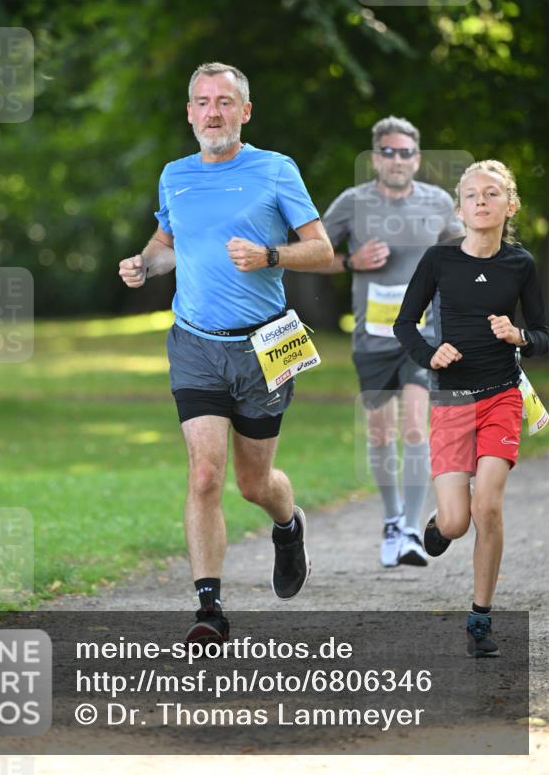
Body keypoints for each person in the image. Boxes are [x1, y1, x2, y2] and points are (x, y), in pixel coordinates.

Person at [118, 62, 333, 645]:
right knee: (205, 472)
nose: (213, 112)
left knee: (253, 483)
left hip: (266, 346)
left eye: (225, 102)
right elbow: (168, 246)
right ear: (189, 111)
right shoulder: (175, 176)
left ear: (245, 111)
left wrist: (269, 256)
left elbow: (322, 250)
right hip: (194, 344)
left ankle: (288, 528)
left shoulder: (275, 170)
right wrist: (144, 264)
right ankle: (209, 608)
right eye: (202, 102)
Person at [394, 160, 548, 656]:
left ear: (510, 204)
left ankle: (480, 618)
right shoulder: (439, 261)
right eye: (471, 195)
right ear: (460, 207)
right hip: (453, 398)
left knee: (489, 507)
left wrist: (519, 335)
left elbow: (543, 333)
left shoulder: (520, 264)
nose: (481, 201)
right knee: (458, 522)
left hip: (502, 394)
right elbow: (404, 324)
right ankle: (441, 524)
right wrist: (429, 353)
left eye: (492, 193)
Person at [321, 117, 463, 568]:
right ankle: (391, 520)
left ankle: (411, 532)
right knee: (381, 430)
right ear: (376, 157)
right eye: (389, 152)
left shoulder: (439, 203)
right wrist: (350, 261)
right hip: (373, 338)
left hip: (422, 335)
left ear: (417, 159)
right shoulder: (352, 203)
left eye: (406, 153)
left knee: (417, 425)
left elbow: (463, 258)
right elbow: (312, 253)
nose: (397, 160)